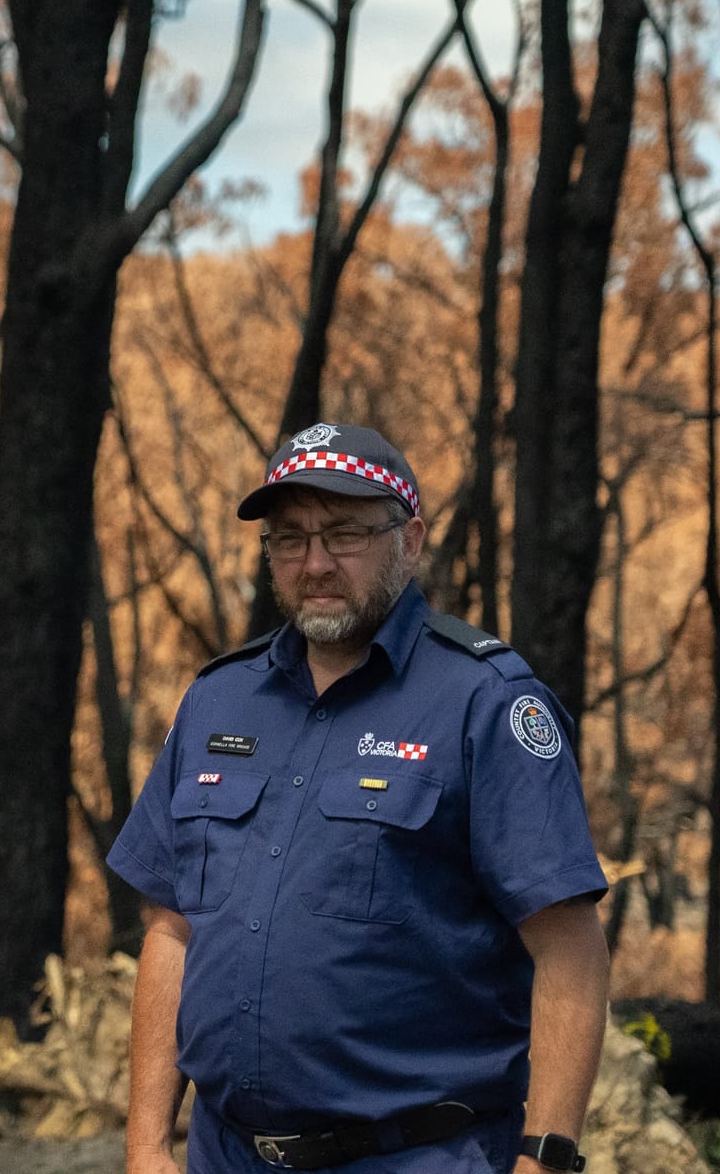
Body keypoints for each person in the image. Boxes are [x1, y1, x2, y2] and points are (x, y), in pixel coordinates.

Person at [107, 423, 611, 1174]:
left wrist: (546, 1157)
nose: (314, 563)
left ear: (410, 541)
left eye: (344, 533)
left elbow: (569, 949)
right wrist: (146, 1144)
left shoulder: (483, 703)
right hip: (227, 1155)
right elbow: (171, 928)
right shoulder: (218, 701)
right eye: (289, 538)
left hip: (419, 1155)